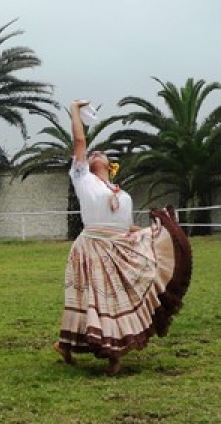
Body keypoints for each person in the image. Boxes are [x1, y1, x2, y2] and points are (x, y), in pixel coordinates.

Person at [55, 99, 193, 375]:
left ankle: (83, 346)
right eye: (91, 154)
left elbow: (125, 225)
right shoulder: (83, 178)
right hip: (93, 246)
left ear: (109, 164)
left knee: (120, 296)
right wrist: (74, 110)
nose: (95, 154)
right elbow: (80, 142)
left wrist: (152, 232)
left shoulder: (120, 192)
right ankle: (104, 350)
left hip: (119, 245)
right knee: (97, 299)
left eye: (101, 153)